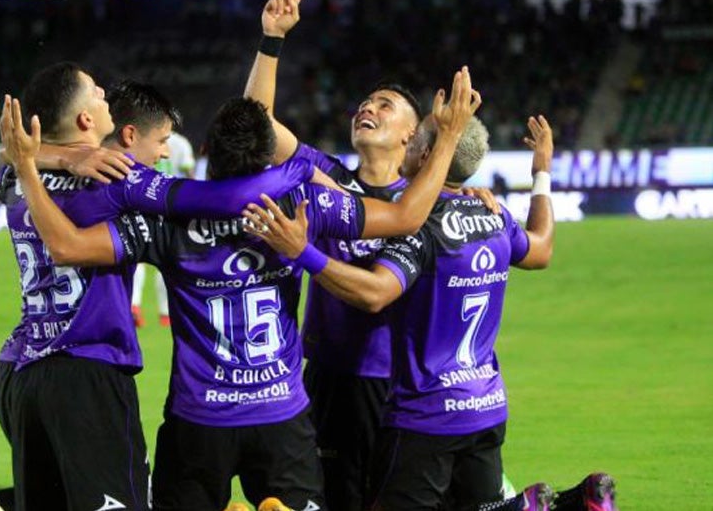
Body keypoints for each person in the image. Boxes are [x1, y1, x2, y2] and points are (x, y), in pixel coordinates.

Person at [0, 54, 480, 510]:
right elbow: (404, 215)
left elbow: (70, 244)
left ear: (205, 151)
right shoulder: (300, 206)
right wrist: (450, 143)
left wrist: (35, 161)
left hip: (191, 418)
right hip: (280, 416)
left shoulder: (157, 220)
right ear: (269, 157)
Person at [246, 113, 617, 511]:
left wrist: (301, 252)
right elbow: (541, 249)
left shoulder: (420, 227)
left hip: (427, 412)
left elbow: (375, 294)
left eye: (415, 141)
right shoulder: (493, 217)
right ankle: (574, 503)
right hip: (485, 405)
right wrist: (542, 171)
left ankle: (530, 507)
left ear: (426, 154)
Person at [0, 65, 319, 511]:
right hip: (88, 367)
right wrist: (300, 166)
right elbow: (221, 200)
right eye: (98, 94)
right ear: (87, 120)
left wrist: (45, 158)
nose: (105, 95)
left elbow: (11, 159)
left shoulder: (16, 178)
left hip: (24, 366)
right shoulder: (113, 177)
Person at [243, 0, 425, 510]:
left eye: (385, 105)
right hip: (320, 375)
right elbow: (256, 126)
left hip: (385, 382)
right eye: (366, 102)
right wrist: (271, 39)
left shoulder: (415, 205)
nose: (368, 108)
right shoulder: (324, 173)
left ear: (410, 137)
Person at [131, 130, 195, 328]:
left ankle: (134, 305)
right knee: (168, 260)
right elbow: (190, 174)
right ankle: (166, 313)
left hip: (142, 205)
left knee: (136, 259)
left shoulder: (143, 139)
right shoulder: (181, 143)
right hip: (170, 209)